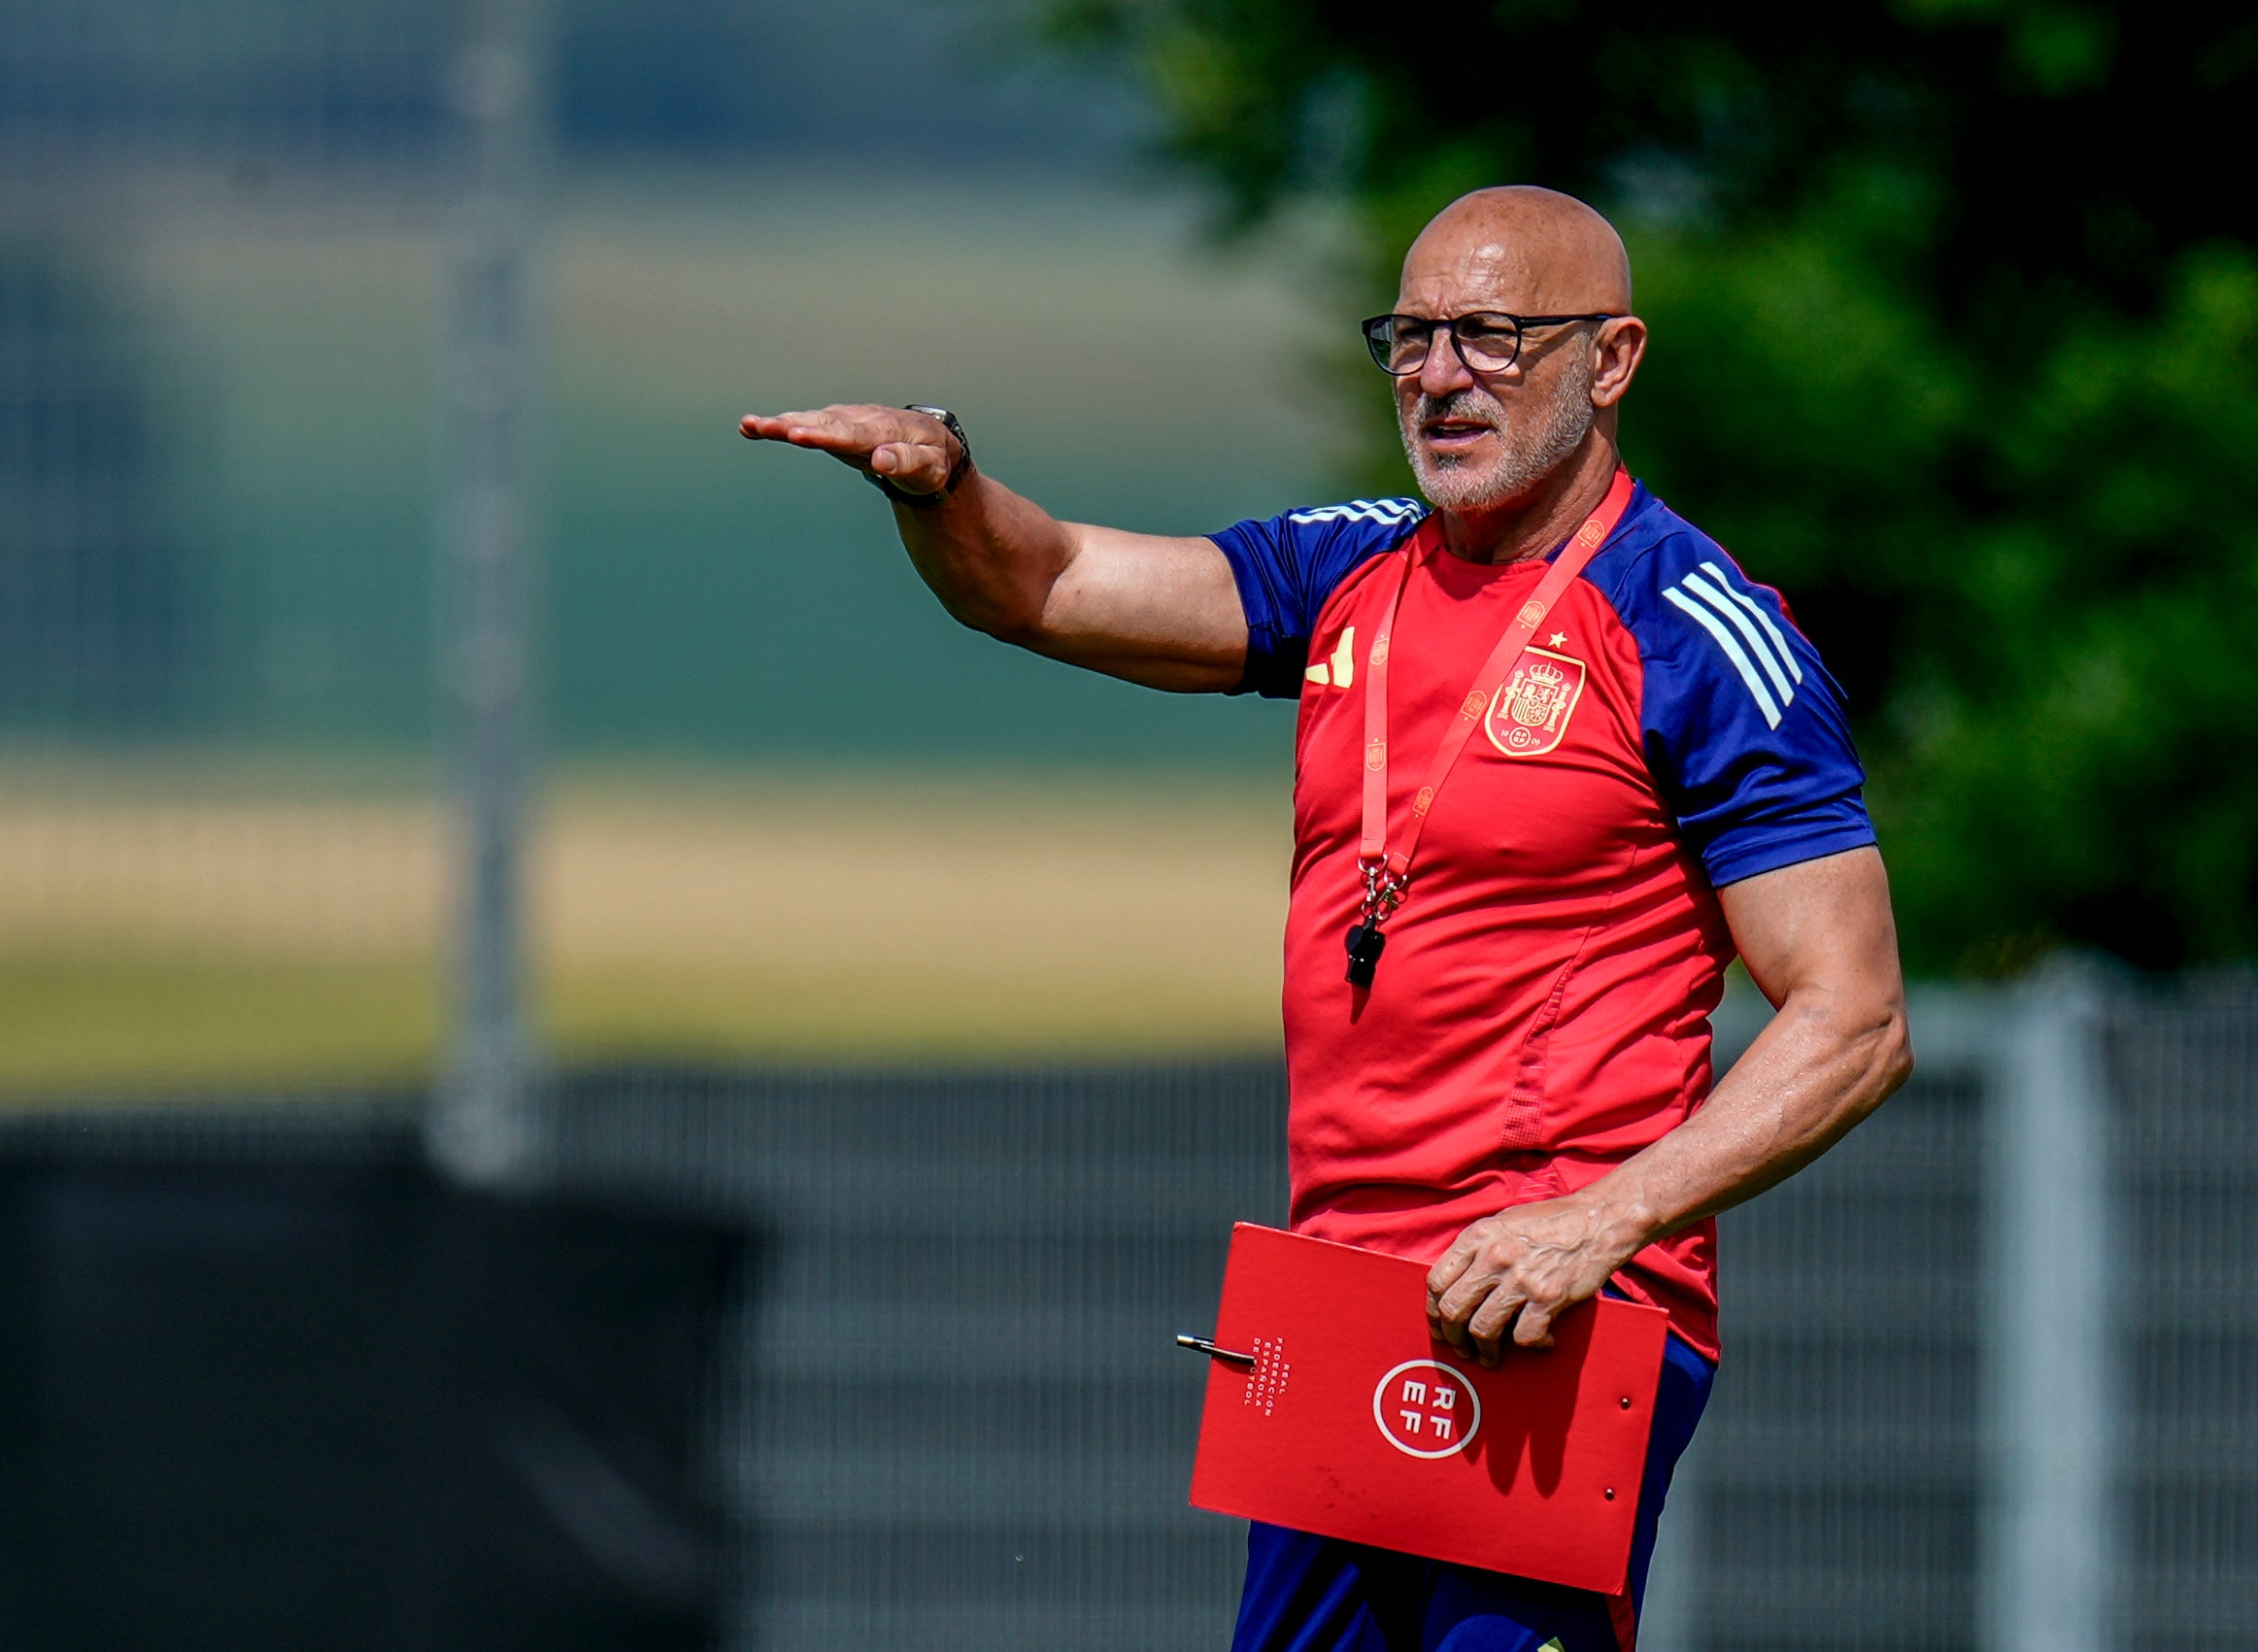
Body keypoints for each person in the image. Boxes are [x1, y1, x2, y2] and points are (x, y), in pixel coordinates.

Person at [740, 185, 1913, 1652]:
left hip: (1552, 1315)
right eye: (1409, 338)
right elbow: (1046, 584)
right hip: (1336, 1316)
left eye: (1490, 337)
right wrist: (942, 481)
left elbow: (1855, 1018)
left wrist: (1597, 1221)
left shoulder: (1693, 625)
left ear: (1612, 359)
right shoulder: (1351, 562)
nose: (1437, 378)